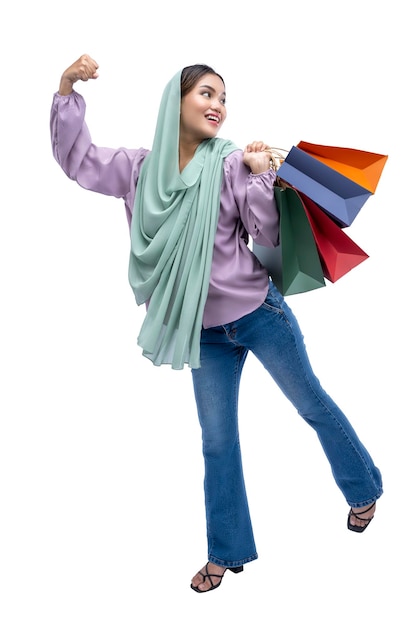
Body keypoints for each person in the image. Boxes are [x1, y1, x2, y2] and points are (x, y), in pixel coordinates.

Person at [50, 54, 383, 593]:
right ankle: (226, 551)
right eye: (206, 93)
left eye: (223, 97)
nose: (218, 106)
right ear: (174, 103)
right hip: (200, 331)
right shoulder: (138, 169)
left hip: (258, 314)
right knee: (217, 441)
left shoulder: (229, 163)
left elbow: (266, 234)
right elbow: (79, 160)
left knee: (311, 404)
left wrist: (259, 178)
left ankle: (363, 487)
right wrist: (66, 88)